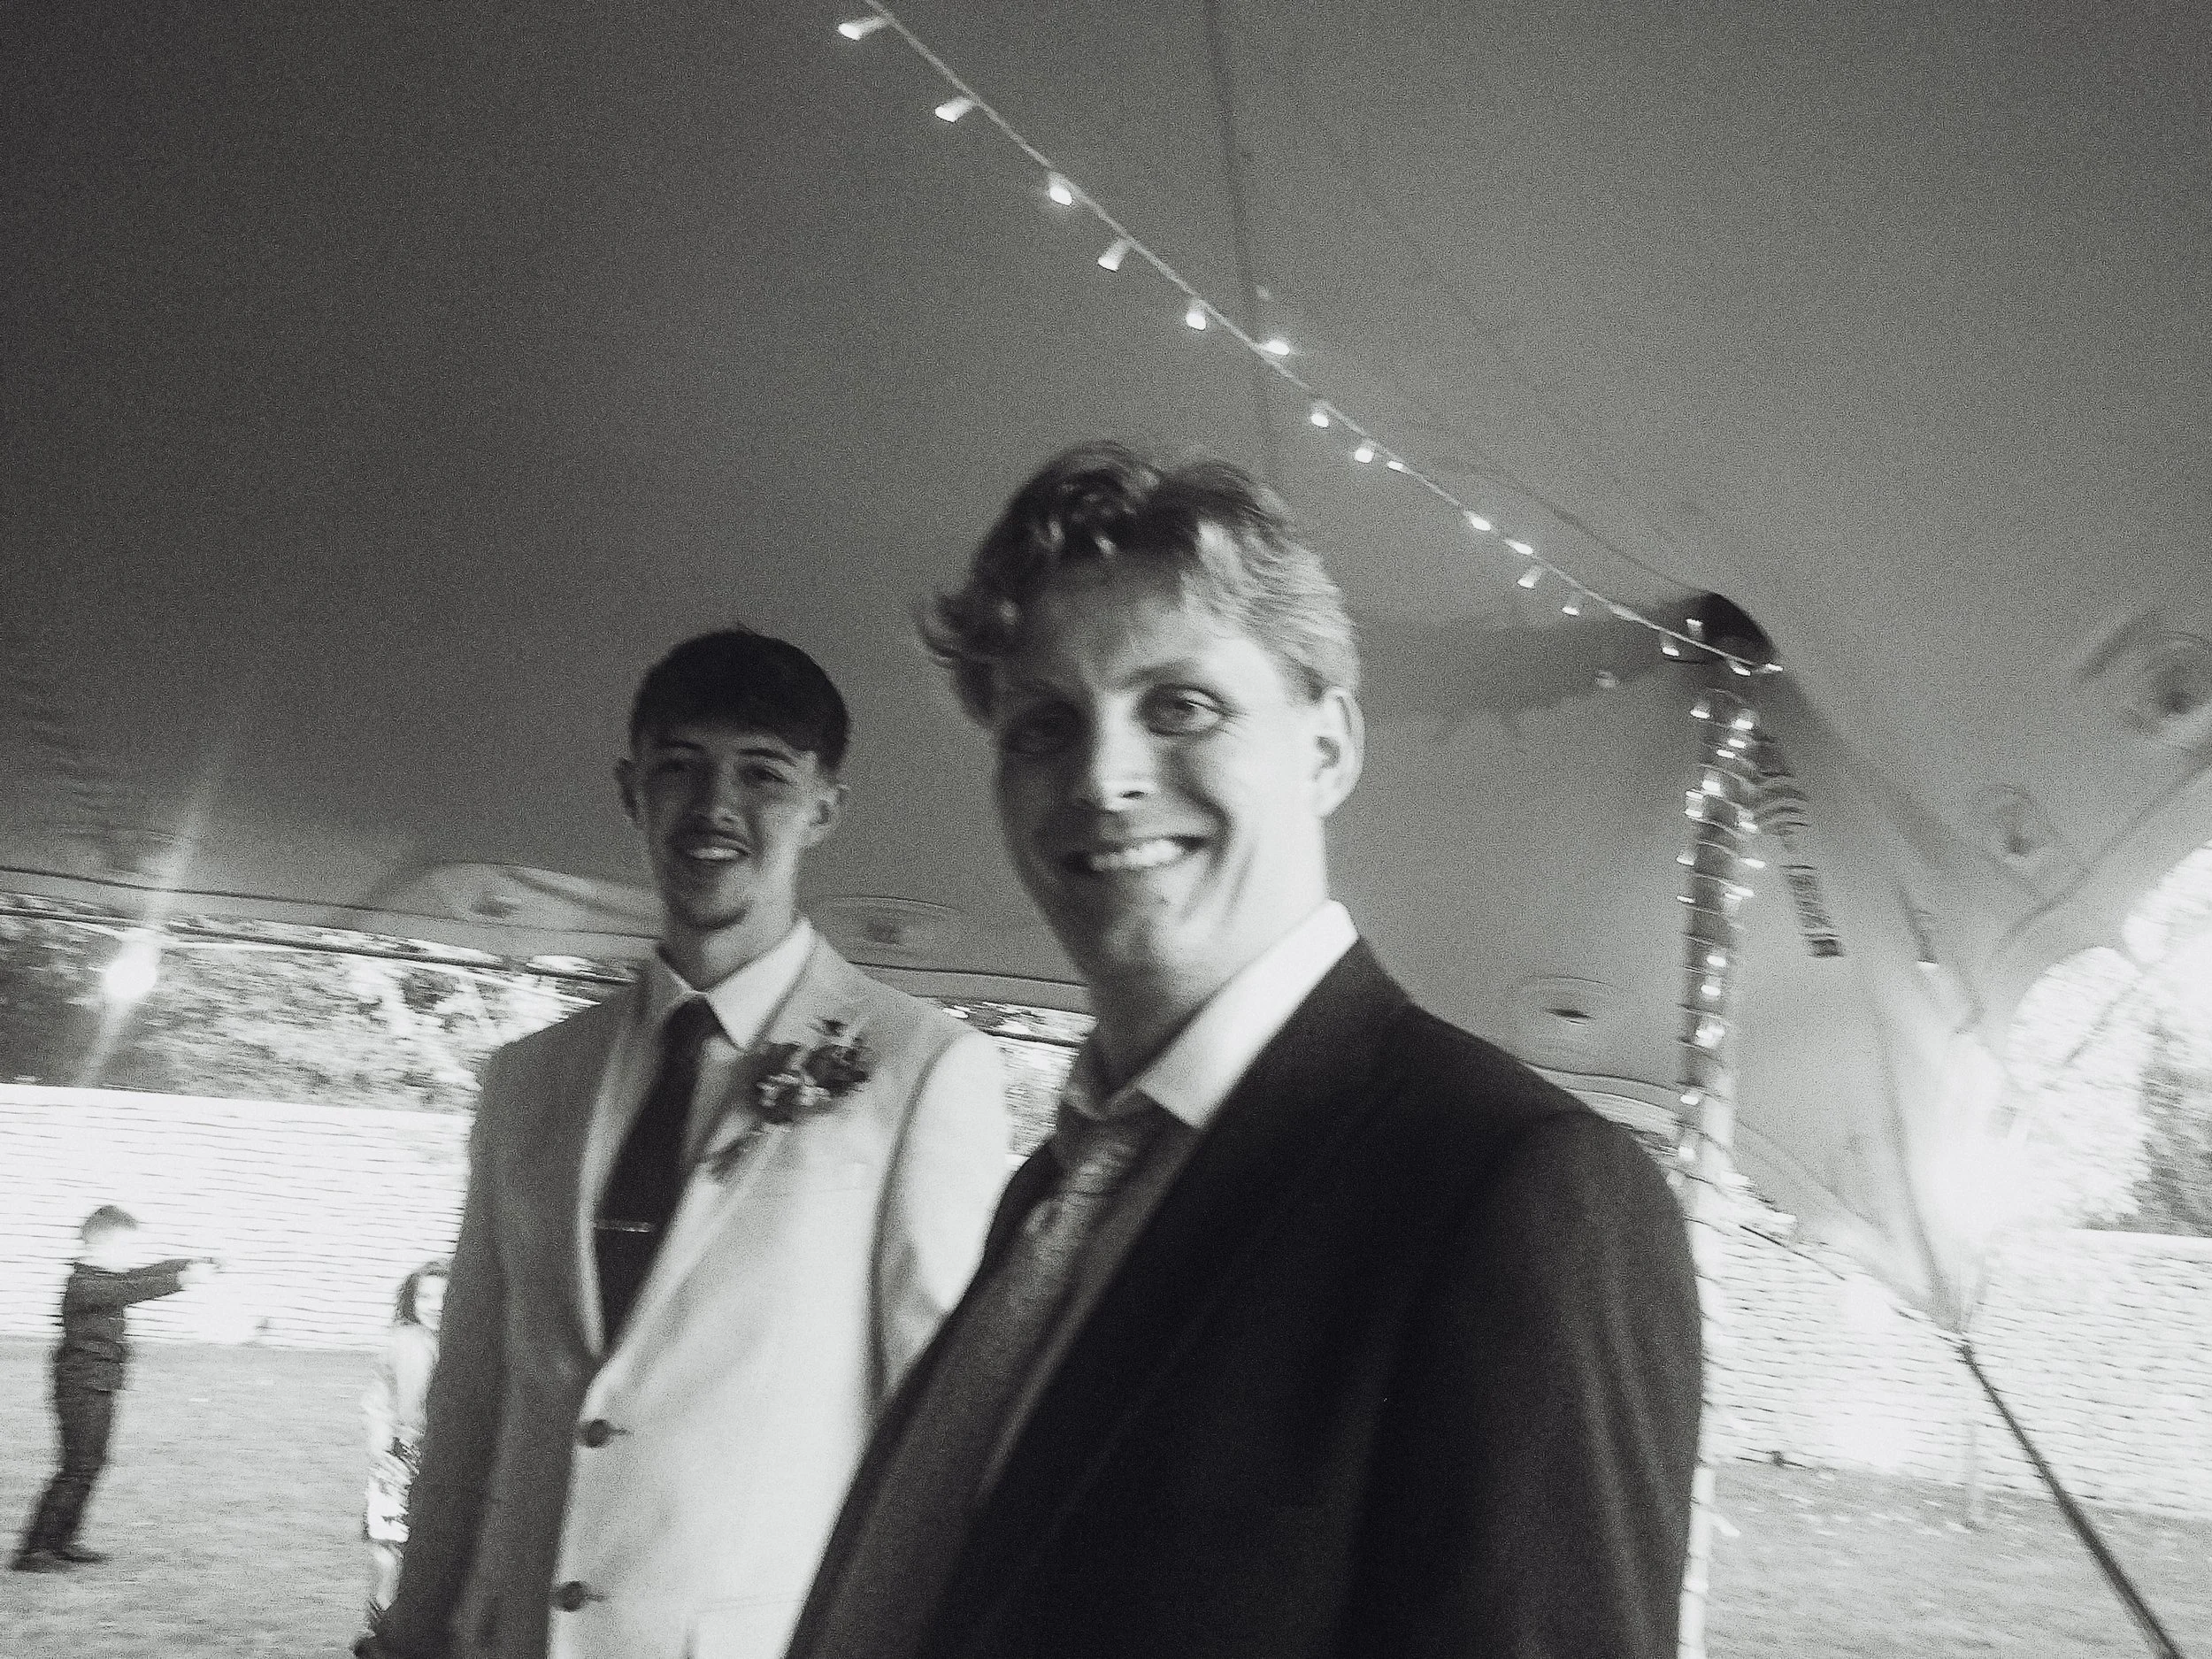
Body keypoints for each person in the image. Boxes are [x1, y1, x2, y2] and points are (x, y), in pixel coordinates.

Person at [785, 444, 1704, 1659]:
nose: (1103, 778)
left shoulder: (1510, 1186)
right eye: (1044, 726)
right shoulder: (1054, 1192)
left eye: (1182, 705)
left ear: (1327, 746)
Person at [366, 629, 1008, 1659]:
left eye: (762, 774)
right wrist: (410, 1635)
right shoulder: (526, 1084)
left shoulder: (920, 1070)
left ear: (824, 806)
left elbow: (937, 1446)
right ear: (632, 792)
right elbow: (470, 1401)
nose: (714, 808)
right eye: (680, 769)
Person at [13, 1205, 215, 1572]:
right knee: (77, 1466)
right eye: (124, 1248)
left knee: (90, 1463)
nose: (130, 1257)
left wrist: (190, 1261)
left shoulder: (102, 1277)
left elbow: (143, 1273)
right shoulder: (83, 1285)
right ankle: (34, 1551)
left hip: (98, 1385)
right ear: (98, 1246)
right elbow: (134, 1288)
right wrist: (182, 1280)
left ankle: (63, 1542)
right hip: (81, 1386)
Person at [364, 1260, 449, 1619]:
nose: (434, 1305)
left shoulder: (469, 1346)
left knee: (435, 1547)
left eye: (444, 1296)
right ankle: (380, 1618)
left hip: (446, 1457)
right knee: (386, 1546)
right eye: (425, 1296)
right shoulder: (401, 1342)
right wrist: (383, 1447)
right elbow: (379, 1399)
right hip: (401, 1455)